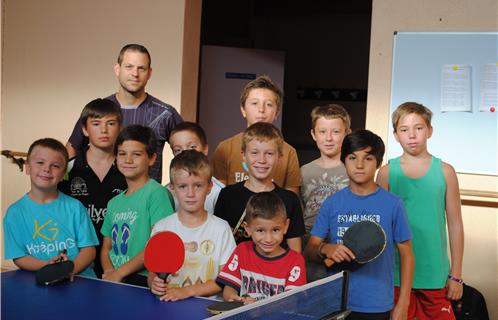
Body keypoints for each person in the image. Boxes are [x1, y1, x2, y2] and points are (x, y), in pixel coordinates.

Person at [304, 130, 414, 320]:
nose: (360, 165)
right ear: (343, 161)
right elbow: (310, 251)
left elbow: (407, 255)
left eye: (368, 158)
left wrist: (403, 303)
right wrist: (325, 248)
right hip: (335, 301)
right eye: (352, 157)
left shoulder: (393, 204)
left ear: (378, 163)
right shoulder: (332, 203)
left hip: (376, 303)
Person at [376, 102, 464, 320]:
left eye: (419, 128)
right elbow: (379, 228)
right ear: (396, 135)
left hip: (435, 273)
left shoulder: (445, 172)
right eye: (404, 130)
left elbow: (455, 225)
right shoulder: (387, 173)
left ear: (430, 131)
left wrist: (457, 275)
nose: (412, 135)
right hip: (396, 274)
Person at [66, 44, 183, 183]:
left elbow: (189, 152)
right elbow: (71, 150)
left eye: (141, 68)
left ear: (149, 73)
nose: (135, 73)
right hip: (101, 199)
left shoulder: (165, 113)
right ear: (117, 69)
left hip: (147, 200)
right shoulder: (98, 111)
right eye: (129, 67)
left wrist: (176, 189)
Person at [148, 150, 236, 301]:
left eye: (198, 186)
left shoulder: (221, 229)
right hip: (169, 308)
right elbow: (153, 273)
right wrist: (153, 283)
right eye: (183, 186)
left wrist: (187, 291)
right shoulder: (161, 228)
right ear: (172, 188)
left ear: (209, 187)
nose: (190, 193)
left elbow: (225, 281)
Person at [3, 138, 98, 277]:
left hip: (80, 280)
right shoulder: (14, 213)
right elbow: (19, 257)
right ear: (28, 167)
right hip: (41, 281)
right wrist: (48, 266)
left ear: (63, 174)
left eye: (55, 165)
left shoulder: (75, 208)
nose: (46, 169)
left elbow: (89, 250)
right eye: (40, 162)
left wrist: (69, 270)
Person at [59, 98, 127, 278]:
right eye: (96, 124)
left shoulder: (128, 169)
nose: (104, 130)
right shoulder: (68, 169)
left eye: (111, 123)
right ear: (84, 129)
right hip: (77, 260)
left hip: (117, 262)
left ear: (120, 128)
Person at [100, 125, 174, 287]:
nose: (128, 160)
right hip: (114, 280)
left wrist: (119, 273)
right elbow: (106, 247)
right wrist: (110, 272)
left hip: (142, 280)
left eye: (137, 154)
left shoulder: (157, 194)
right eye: (122, 154)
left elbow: (158, 246)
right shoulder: (114, 203)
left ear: (152, 159)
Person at [214, 122, 305, 253]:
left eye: (269, 153)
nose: (261, 160)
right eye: (254, 153)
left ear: (279, 157)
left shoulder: (290, 200)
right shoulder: (227, 195)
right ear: (244, 155)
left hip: (275, 272)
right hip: (235, 271)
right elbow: (218, 245)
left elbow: (295, 254)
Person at [211, 75, 301, 194]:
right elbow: (218, 196)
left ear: (277, 112)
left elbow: (290, 200)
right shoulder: (225, 148)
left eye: (268, 104)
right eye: (254, 103)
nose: (261, 110)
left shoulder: (289, 152)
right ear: (243, 109)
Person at [217, 192, 307, 303]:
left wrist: (259, 307)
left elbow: (292, 303)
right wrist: (238, 299)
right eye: (260, 230)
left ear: (286, 226)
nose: (268, 239)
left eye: (275, 230)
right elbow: (229, 290)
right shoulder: (242, 250)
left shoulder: (295, 261)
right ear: (248, 228)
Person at [300, 104, 351, 282]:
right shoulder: (304, 171)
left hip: (343, 244)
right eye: (322, 132)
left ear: (347, 133)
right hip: (309, 246)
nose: (329, 138)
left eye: (336, 132)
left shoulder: (353, 170)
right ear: (313, 134)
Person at [167, 121, 224, 214]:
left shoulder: (219, 192)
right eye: (178, 150)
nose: (185, 153)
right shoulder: (166, 192)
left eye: (192, 147)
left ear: (205, 149)